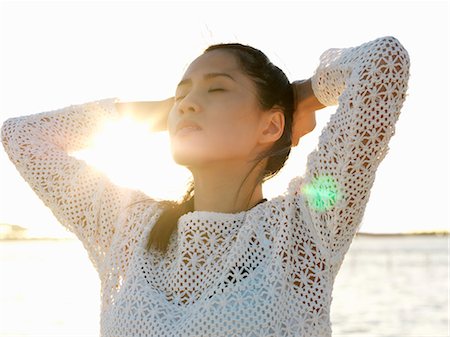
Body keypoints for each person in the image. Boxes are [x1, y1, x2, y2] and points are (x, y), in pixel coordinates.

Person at [1, 35, 410, 337]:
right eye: (181, 94)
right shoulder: (126, 229)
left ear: (270, 124)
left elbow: (382, 62)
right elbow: (21, 136)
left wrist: (302, 95)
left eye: (216, 88)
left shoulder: (302, 230)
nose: (189, 103)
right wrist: (166, 111)